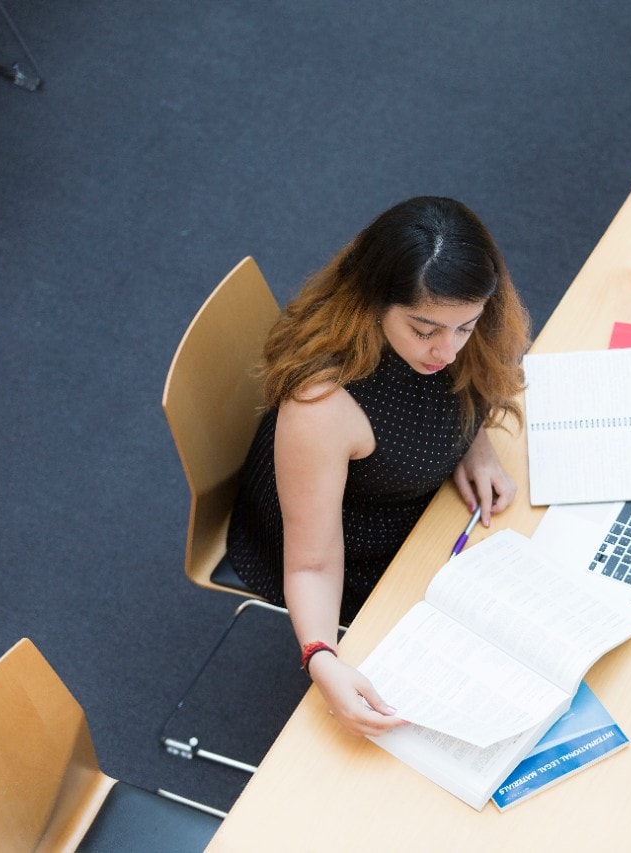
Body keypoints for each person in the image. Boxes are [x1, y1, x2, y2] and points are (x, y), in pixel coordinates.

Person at [226, 196, 531, 737]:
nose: (448, 350)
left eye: (466, 326)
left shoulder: (458, 327)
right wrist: (321, 656)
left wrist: (474, 441)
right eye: (425, 330)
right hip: (345, 550)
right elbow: (312, 565)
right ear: (374, 301)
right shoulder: (321, 405)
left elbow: (464, 380)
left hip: (416, 509)